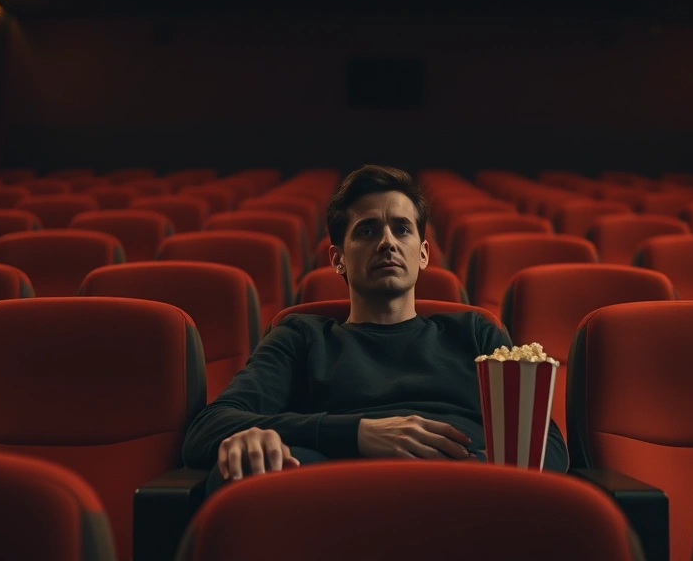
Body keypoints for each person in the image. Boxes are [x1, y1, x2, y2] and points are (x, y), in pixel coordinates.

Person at [181, 165, 568, 488]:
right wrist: (358, 433)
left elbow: (546, 444)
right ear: (338, 259)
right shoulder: (299, 336)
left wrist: (468, 469)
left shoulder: (475, 332)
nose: (387, 242)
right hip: (336, 499)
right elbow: (209, 428)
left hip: (467, 497)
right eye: (367, 231)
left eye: (401, 229)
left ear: (423, 253)